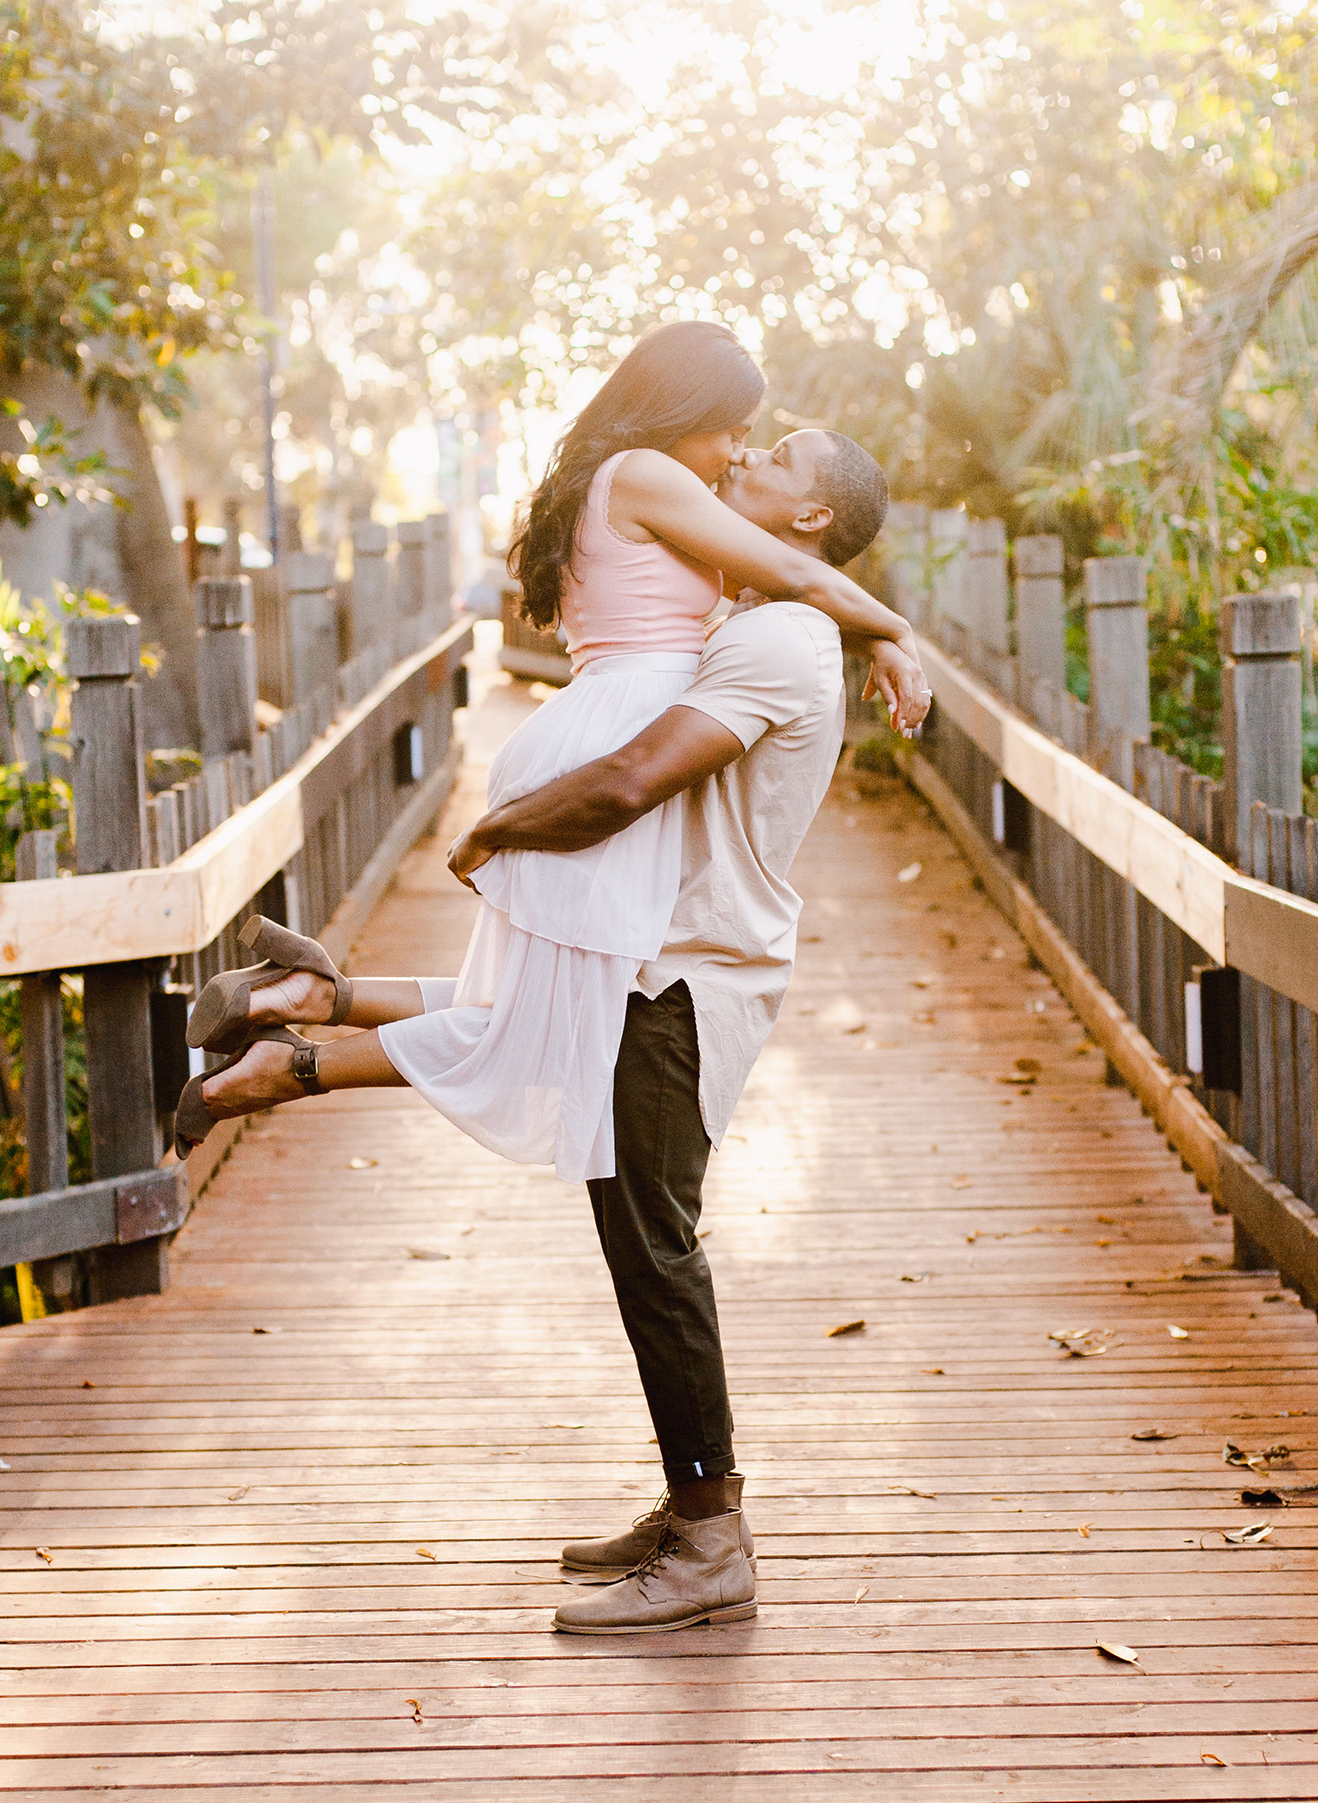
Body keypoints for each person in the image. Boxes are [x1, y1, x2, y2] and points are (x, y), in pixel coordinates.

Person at [179, 422, 924, 1634]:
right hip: (655, 959)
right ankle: (693, 1503)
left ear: (811, 521)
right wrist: (888, 627)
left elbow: (633, 782)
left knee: (655, 1246)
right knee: (631, 1222)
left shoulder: (781, 641)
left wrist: (500, 828)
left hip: (687, 982)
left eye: (778, 456)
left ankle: (714, 1539)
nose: (747, 460)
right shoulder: (768, 619)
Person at [176, 321, 927, 1180]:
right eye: (733, 430)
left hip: (607, 725)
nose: (737, 453)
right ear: (684, 411)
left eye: (757, 441)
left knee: (540, 1012)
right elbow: (796, 576)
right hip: (612, 745)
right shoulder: (647, 475)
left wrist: (874, 641)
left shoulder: (640, 482)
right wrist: (897, 630)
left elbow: (781, 583)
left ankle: (309, 999)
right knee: (542, 1031)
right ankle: (288, 1064)